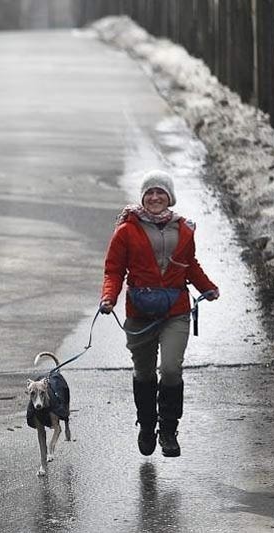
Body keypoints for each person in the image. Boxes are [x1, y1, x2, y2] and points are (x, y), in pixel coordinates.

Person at [99, 170, 219, 458]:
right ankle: (147, 424)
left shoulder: (184, 229)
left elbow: (189, 265)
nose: (154, 197)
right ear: (142, 198)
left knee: (170, 369)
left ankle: (167, 429)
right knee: (143, 372)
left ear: (169, 197)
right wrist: (108, 297)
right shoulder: (126, 230)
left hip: (175, 310)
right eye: (149, 192)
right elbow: (114, 270)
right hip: (139, 311)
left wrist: (208, 287)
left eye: (160, 192)